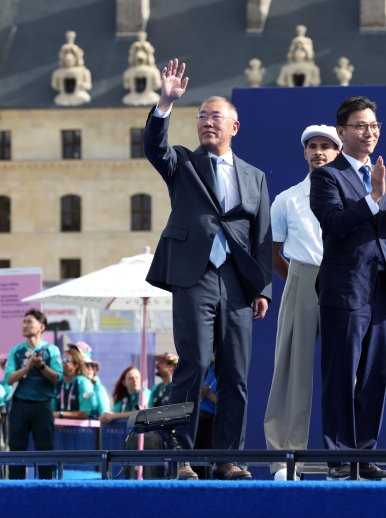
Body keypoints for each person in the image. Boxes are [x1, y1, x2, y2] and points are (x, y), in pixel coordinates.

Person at [143, 59, 272, 481]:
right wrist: (165, 103)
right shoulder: (182, 164)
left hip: (236, 283)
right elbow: (153, 147)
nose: (206, 123)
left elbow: (263, 237)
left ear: (235, 126)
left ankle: (227, 459)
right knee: (194, 364)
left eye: (215, 117)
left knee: (236, 372)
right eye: (201, 117)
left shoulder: (255, 176)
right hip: (193, 276)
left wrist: (263, 289)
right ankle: (180, 459)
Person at [309, 96, 386, 481]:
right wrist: (373, 197)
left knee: (375, 375)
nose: (369, 132)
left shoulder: (384, 174)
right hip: (346, 288)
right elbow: (335, 224)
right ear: (341, 132)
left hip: (385, 289)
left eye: (374, 126)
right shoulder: (326, 175)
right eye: (360, 126)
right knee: (340, 374)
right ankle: (339, 459)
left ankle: (366, 456)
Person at [263, 124, 341, 481]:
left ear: (339, 152)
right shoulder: (287, 198)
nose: (319, 152)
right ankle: (284, 459)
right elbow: (273, 252)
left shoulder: (354, 196)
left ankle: (344, 458)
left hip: (344, 282)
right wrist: (297, 281)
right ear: (304, 153)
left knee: (345, 373)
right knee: (292, 370)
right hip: (301, 278)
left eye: (326, 146)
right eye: (313, 146)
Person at [4, 309, 63, 479]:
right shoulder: (16, 351)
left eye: (30, 322)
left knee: (45, 449)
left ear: (41, 327)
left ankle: (47, 489)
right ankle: (15, 489)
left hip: (43, 405)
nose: (25, 325)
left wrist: (41, 366)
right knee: (16, 449)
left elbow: (57, 377)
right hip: (19, 405)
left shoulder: (51, 350)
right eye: (24, 322)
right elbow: (9, 379)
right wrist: (27, 367)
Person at [52, 348, 94, 420]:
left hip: (82, 430)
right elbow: (52, 411)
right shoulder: (57, 383)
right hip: (60, 430)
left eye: (65, 360)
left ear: (75, 366)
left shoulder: (83, 382)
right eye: (61, 360)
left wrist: (61, 414)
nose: (62, 363)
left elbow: (85, 413)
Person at [193, 360, 217, 480]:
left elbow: (227, 404)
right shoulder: (204, 368)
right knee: (195, 463)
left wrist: (208, 394)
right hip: (197, 421)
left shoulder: (223, 370)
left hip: (211, 422)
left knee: (210, 463)